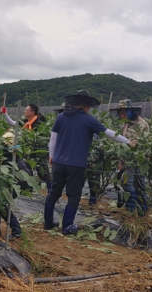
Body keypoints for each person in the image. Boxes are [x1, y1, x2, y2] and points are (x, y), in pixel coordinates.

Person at [45, 90, 136, 234]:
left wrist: (51, 155)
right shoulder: (88, 119)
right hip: (76, 164)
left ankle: (48, 223)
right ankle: (67, 227)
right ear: (85, 105)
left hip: (58, 162)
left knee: (54, 192)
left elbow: (53, 138)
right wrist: (127, 141)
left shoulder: (61, 117)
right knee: (74, 196)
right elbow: (109, 133)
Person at [1, 103, 52, 193]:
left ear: (32, 112)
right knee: (27, 169)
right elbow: (13, 123)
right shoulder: (27, 122)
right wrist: (5, 114)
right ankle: (30, 189)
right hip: (28, 151)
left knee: (43, 173)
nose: (24, 111)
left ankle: (51, 190)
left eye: (26, 110)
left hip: (39, 153)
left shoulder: (39, 123)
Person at [110, 99, 150, 214]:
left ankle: (134, 212)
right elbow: (124, 142)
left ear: (131, 112)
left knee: (135, 185)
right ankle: (137, 212)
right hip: (128, 160)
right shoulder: (127, 123)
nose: (122, 116)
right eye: (120, 114)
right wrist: (121, 160)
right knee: (134, 185)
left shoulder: (141, 124)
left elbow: (134, 144)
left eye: (124, 113)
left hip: (137, 161)